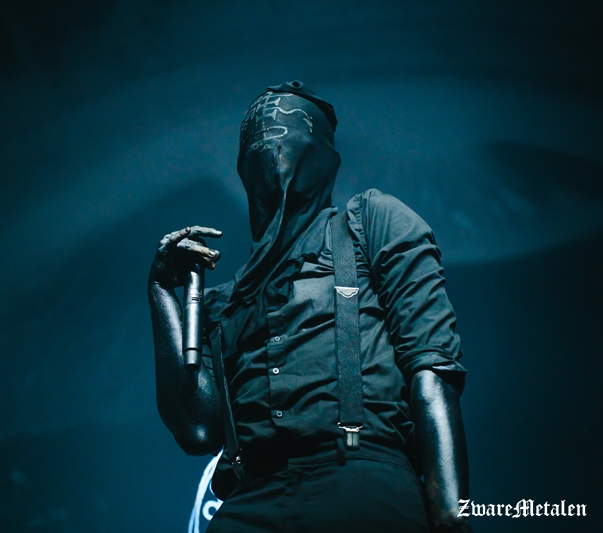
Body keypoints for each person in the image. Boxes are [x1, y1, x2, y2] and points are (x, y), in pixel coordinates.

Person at [148, 81, 472, 532]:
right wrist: (162, 291)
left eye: (290, 136)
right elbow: (197, 430)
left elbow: (432, 368)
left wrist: (452, 514)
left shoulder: (371, 223)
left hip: (360, 482)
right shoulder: (225, 301)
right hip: (251, 500)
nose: (273, 149)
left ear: (321, 157)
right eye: (259, 141)